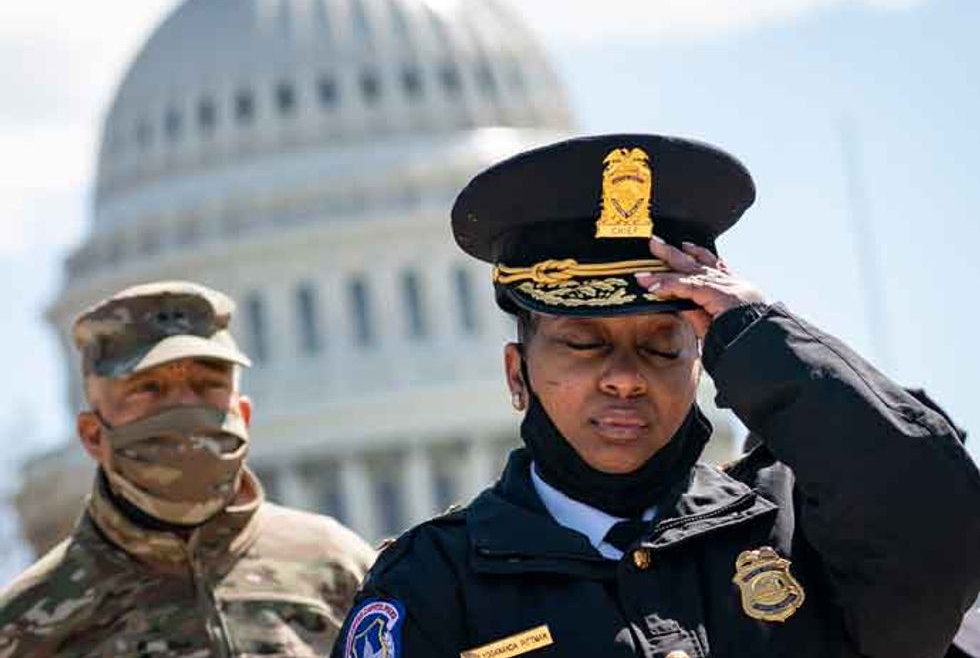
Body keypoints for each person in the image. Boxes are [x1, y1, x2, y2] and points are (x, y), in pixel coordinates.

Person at [331, 135, 980, 658]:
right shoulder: (435, 583)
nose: (624, 377)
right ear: (516, 374)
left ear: (704, 360)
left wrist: (758, 333)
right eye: (583, 343)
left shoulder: (797, 532)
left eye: (662, 345)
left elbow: (939, 533)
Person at [1, 281, 375, 657]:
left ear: (243, 415)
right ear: (93, 434)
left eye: (207, 384)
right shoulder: (27, 622)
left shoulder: (339, 570)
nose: (184, 407)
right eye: (149, 389)